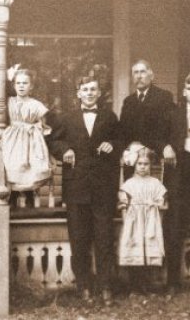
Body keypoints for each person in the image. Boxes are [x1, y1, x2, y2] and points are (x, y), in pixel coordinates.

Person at [47, 76, 119, 305]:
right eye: (85, 89)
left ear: (99, 93)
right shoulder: (66, 118)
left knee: (105, 238)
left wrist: (113, 145)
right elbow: (53, 142)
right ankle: (84, 286)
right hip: (76, 186)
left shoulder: (109, 116)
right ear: (78, 93)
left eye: (93, 89)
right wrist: (64, 150)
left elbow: (121, 139)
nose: (89, 93)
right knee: (79, 238)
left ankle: (106, 286)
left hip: (103, 187)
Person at [119, 59, 178, 295]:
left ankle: (154, 279)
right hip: (135, 164)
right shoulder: (129, 101)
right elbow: (124, 131)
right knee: (134, 224)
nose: (140, 76)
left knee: (153, 223)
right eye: (136, 72)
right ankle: (135, 282)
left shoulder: (163, 97)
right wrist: (128, 147)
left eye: (143, 72)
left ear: (151, 75)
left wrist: (161, 145)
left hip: (155, 161)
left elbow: (169, 127)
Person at [118, 145, 167, 294]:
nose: (143, 167)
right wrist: (127, 222)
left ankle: (148, 286)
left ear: (150, 165)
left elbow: (163, 203)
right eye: (140, 164)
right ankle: (134, 287)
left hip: (151, 220)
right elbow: (123, 205)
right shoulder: (129, 184)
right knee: (136, 250)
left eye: (146, 164)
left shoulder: (155, 183)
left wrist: (158, 215)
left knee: (149, 251)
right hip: (134, 223)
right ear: (135, 165)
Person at [0, 69, 52, 206]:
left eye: (25, 83)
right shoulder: (9, 101)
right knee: (14, 164)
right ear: (14, 86)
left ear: (31, 86)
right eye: (18, 83)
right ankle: (14, 194)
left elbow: (44, 123)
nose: (21, 86)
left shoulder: (35, 104)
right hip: (13, 138)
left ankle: (29, 194)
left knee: (30, 165)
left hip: (30, 138)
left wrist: (38, 128)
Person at [166, 73, 190, 296]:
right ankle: (173, 281)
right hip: (181, 174)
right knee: (175, 227)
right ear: (185, 91)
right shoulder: (174, 114)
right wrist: (165, 146)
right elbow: (159, 135)